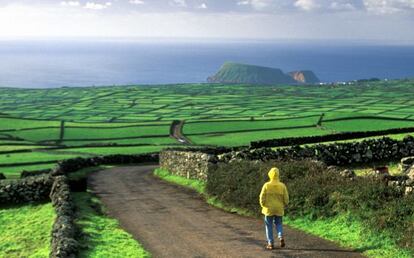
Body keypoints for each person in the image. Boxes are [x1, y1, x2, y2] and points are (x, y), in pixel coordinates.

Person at [259, 167, 289, 250]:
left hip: (268, 209)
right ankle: (280, 235)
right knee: (278, 223)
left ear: (270, 174)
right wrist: (285, 204)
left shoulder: (266, 185)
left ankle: (270, 243)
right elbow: (286, 198)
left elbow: (262, 197)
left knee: (269, 226)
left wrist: (262, 205)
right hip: (279, 208)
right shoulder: (282, 185)